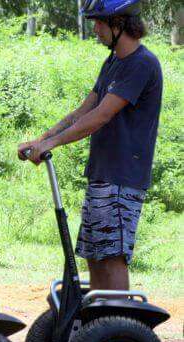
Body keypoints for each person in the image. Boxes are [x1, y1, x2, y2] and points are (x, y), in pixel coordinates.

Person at [18, 0, 162, 291]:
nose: (95, 29)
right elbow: (83, 110)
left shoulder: (142, 64)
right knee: (95, 256)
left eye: (99, 23)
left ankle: (117, 328)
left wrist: (54, 143)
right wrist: (42, 139)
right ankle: (99, 330)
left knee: (112, 257)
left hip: (123, 178)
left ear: (118, 24)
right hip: (102, 174)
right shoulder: (113, 62)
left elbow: (101, 116)